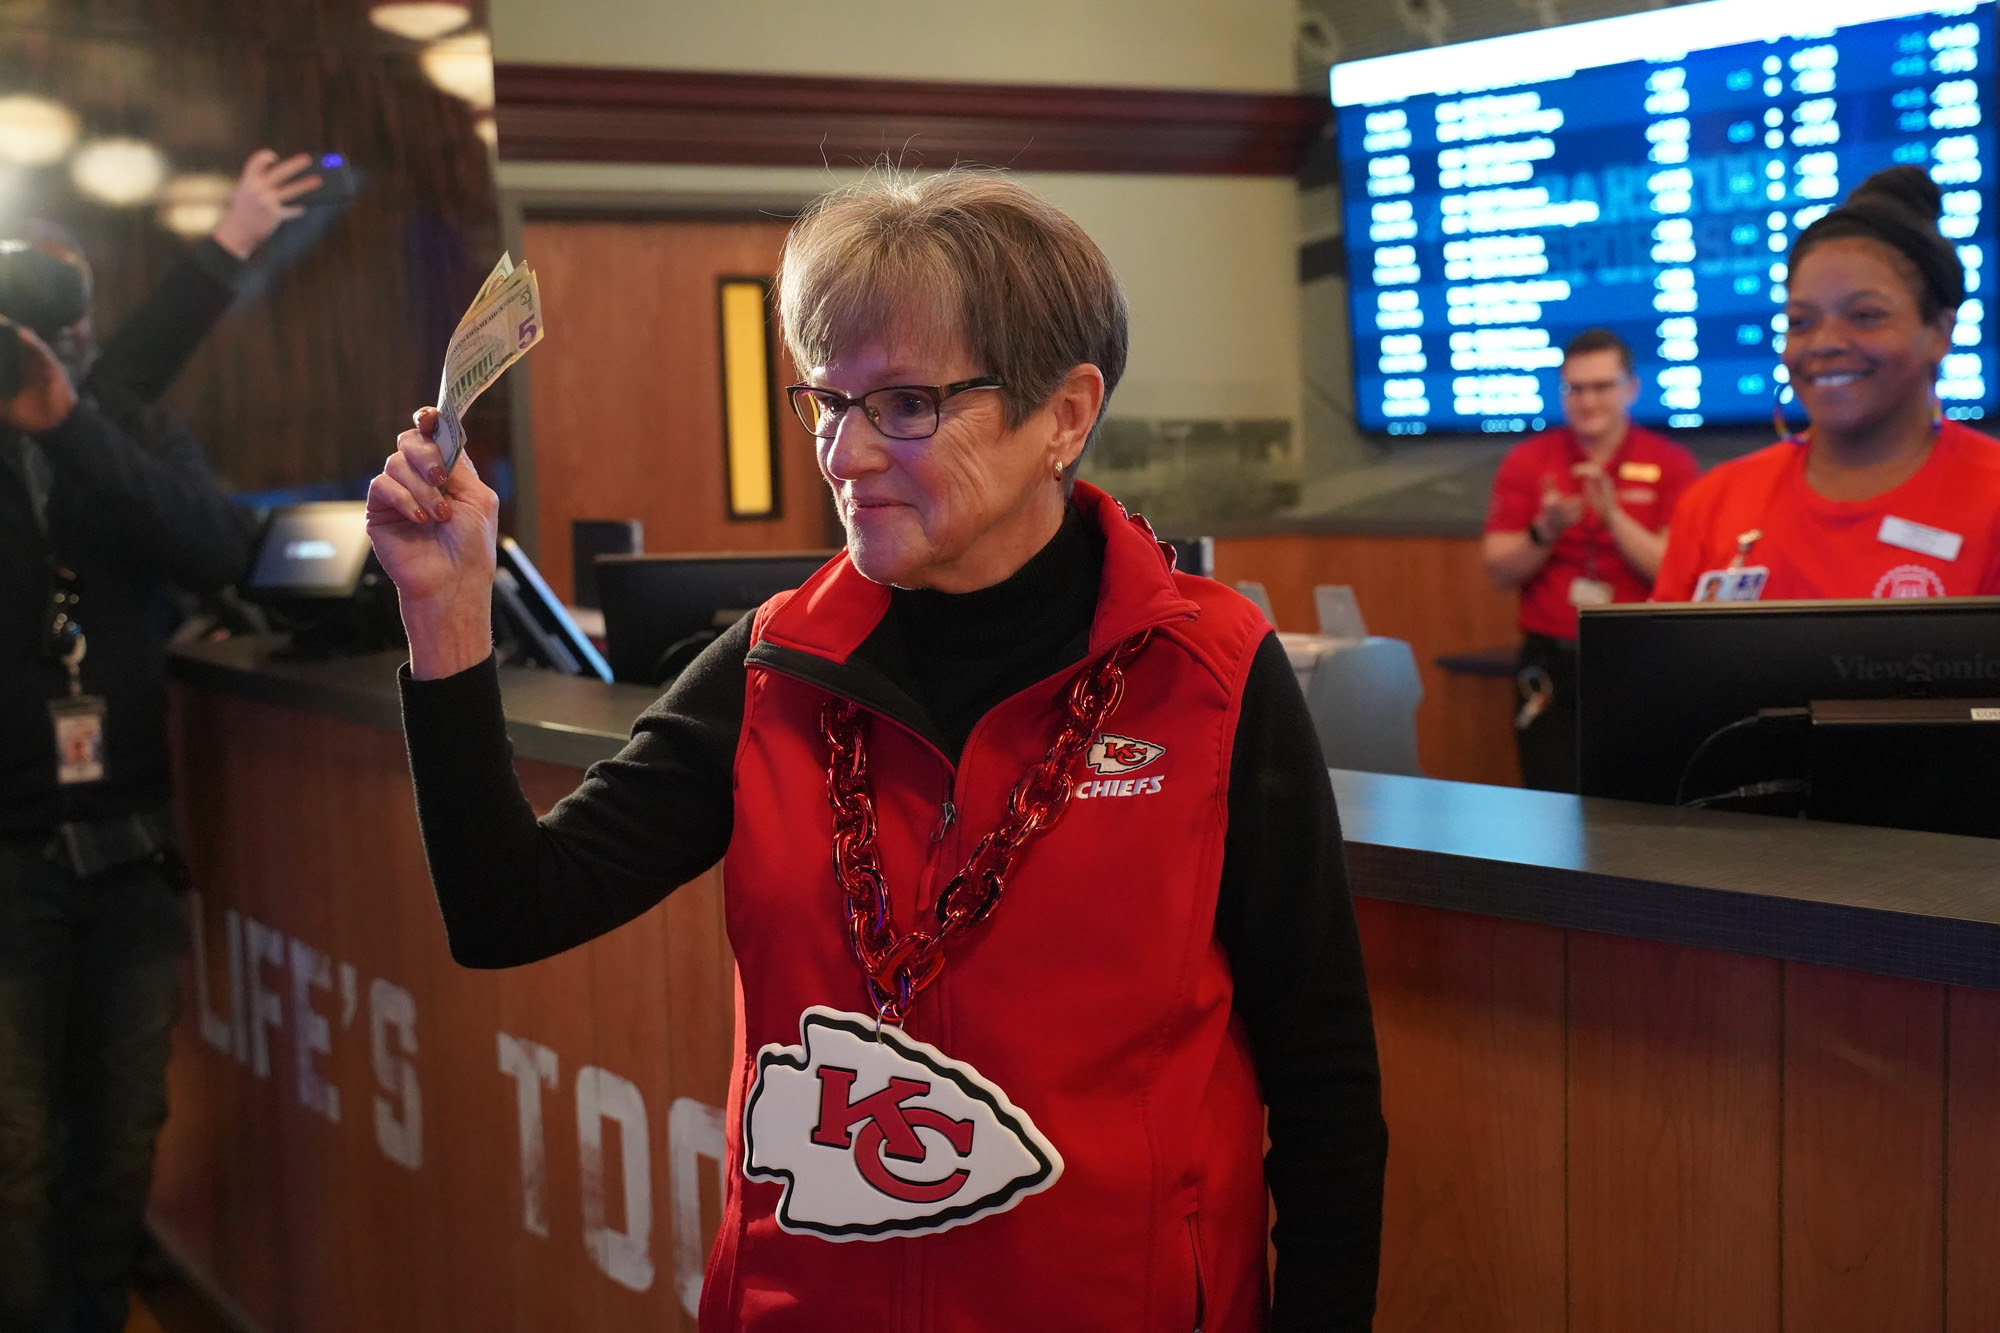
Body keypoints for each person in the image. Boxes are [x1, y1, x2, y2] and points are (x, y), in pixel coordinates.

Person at [371, 169, 1386, 1332]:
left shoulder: (1207, 677)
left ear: (1063, 412)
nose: (844, 455)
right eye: (828, 402)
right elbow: (507, 910)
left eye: (903, 404)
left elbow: (1324, 1092)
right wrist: (447, 617)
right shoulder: (772, 670)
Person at [0, 149, 321, 1333]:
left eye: (69, 311)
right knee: (16, 1159)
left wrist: (71, 427)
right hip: (9, 858)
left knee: (123, 1142)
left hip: (133, 854)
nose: (55, 333)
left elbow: (216, 549)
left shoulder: (122, 429)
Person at [1654, 165, 2000, 602]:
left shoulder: (1991, 497)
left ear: (1939, 332)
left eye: (1865, 316)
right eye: (1801, 321)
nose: (1824, 343)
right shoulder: (1713, 503)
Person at [1482, 328, 1699, 791]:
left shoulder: (1670, 462)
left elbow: (1672, 570)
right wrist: (1547, 530)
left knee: (1643, 803)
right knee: (1552, 809)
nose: (1587, 400)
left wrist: (1613, 515)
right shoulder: (1528, 461)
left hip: (1641, 660)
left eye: (1601, 386)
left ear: (1631, 389)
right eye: (1574, 388)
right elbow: (1498, 570)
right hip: (1552, 665)